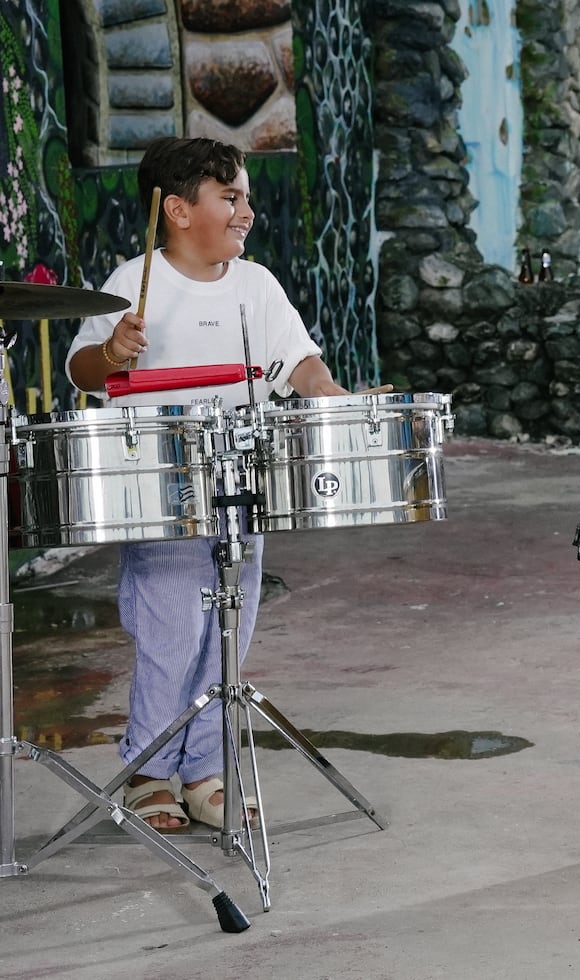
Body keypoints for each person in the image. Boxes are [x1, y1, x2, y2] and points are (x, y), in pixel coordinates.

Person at [66, 136, 347, 832]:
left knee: (229, 627)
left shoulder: (256, 286)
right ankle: (148, 772)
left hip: (240, 488)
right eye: (231, 197)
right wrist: (111, 353)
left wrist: (328, 393)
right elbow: (81, 371)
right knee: (170, 630)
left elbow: (299, 362)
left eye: (246, 196)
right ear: (178, 210)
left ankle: (205, 768)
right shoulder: (131, 283)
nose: (246, 211)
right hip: (159, 496)